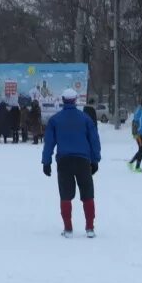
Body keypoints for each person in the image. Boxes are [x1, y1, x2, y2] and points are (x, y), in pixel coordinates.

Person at [42, 88, 101, 238]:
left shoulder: (55, 120)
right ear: (75, 100)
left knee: (65, 195)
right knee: (88, 194)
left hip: (64, 161)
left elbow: (49, 142)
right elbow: (94, 140)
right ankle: (89, 228)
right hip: (83, 161)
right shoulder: (85, 118)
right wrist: (95, 160)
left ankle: (68, 228)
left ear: (62, 100)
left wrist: (46, 162)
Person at [128, 96, 142, 173]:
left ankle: (137, 167)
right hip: (138, 133)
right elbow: (135, 120)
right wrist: (135, 132)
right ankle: (131, 163)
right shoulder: (140, 110)